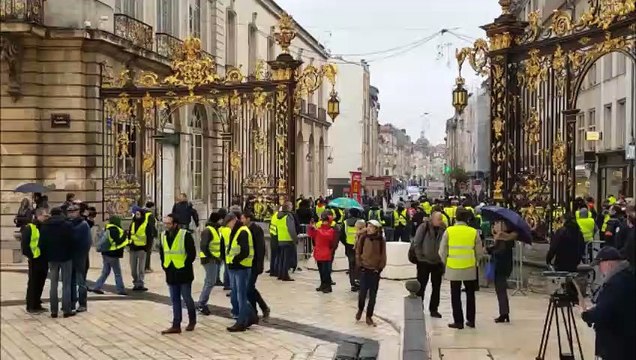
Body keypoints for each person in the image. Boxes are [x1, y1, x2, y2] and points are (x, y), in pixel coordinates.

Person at [580, 247, 635, 360]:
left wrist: (587, 315)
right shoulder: (628, 276)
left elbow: (604, 311)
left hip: (616, 343)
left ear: (609, 263)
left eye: (600, 264)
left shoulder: (616, 283)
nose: (599, 269)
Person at [439, 208, 484, 329]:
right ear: (467, 219)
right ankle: (471, 320)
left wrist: (445, 263)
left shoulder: (449, 231)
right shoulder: (473, 232)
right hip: (469, 267)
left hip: (453, 267)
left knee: (455, 295)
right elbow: (479, 252)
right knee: (470, 295)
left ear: (456, 218)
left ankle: (458, 321)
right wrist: (476, 262)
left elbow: (442, 251)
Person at [159, 214, 197, 334]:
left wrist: (185, 264)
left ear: (175, 224)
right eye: (165, 223)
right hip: (170, 271)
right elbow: (162, 252)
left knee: (186, 297)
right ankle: (176, 324)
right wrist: (165, 266)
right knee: (174, 299)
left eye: (168, 224)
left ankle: (192, 320)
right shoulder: (163, 235)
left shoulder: (185, 235)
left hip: (184, 271)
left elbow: (191, 254)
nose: (166, 226)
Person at [39, 207, 75, 318]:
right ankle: (66, 310)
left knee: (53, 284)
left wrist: (46, 256)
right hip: (66, 257)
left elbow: (42, 244)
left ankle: (53, 311)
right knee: (66, 284)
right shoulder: (67, 225)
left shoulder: (45, 226)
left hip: (52, 258)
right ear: (61, 213)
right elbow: (72, 241)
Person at [224, 213, 257, 332]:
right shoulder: (236, 231)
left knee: (241, 296)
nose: (228, 227)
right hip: (236, 267)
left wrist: (234, 261)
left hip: (242, 267)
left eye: (229, 224)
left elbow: (244, 251)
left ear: (233, 221)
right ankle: (251, 316)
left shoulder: (242, 231)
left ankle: (241, 322)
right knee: (237, 295)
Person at [412, 211, 446, 318]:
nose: (440, 221)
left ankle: (434, 309)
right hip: (424, 262)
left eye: (441, 219)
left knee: (436, 287)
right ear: (432, 219)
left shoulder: (443, 229)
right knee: (421, 286)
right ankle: (418, 307)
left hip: (437, 262)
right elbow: (416, 242)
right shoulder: (424, 227)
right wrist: (420, 257)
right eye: (438, 219)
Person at [355, 220, 387, 327]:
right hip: (365, 269)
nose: (369, 228)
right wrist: (360, 265)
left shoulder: (380, 240)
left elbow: (383, 255)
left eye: (372, 226)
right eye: (368, 225)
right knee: (362, 293)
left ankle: (369, 316)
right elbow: (358, 252)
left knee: (373, 296)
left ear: (376, 228)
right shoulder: (363, 238)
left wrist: (379, 268)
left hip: (375, 271)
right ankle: (360, 309)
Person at [90, 216, 129, 295]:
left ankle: (97, 287)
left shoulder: (107, 228)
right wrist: (125, 235)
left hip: (105, 253)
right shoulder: (115, 230)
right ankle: (120, 289)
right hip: (113, 254)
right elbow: (117, 242)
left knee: (105, 272)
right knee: (117, 273)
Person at [242, 212, 270, 319]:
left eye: (243, 218)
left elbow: (260, 248)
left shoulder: (256, 229)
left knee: (249, 288)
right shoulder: (244, 229)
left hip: (254, 263)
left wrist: (259, 264)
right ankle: (255, 311)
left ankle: (262, 308)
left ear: (248, 219)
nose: (241, 220)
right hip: (247, 263)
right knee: (249, 288)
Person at [488, 219, 518, 323]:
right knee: (501, 290)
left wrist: (490, 250)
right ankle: (504, 312)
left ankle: (504, 313)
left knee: (500, 290)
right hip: (505, 266)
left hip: (500, 266)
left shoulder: (503, 238)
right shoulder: (508, 237)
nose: (495, 225)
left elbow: (499, 251)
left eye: (497, 224)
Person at [21, 208, 49, 313]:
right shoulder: (30, 228)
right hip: (35, 259)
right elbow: (25, 245)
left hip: (43, 258)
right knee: (33, 282)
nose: (47, 218)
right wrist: (32, 256)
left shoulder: (44, 227)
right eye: (45, 216)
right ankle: (31, 305)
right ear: (38, 216)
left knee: (41, 281)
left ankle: (37, 302)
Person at [197, 213, 224, 316]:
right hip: (209, 259)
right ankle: (201, 303)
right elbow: (204, 246)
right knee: (210, 282)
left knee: (209, 281)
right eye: (221, 220)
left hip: (214, 258)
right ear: (217, 220)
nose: (222, 222)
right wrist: (212, 257)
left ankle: (201, 302)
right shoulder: (208, 230)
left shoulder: (215, 230)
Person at [67, 204, 91, 312]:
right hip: (70, 256)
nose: (71, 213)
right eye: (69, 211)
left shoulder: (83, 224)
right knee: (71, 281)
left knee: (81, 281)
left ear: (78, 212)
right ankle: (72, 302)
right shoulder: (67, 224)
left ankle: (82, 303)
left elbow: (87, 243)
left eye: (73, 211)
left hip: (80, 257)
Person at [308, 212, 339, 293]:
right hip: (319, 253)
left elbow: (325, 236)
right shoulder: (319, 229)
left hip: (326, 253)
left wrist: (316, 229)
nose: (324, 222)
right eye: (323, 221)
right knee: (321, 271)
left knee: (326, 272)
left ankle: (328, 287)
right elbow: (311, 234)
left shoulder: (331, 230)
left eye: (325, 221)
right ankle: (322, 285)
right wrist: (311, 227)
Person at [271, 203, 298, 281]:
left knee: (281, 258)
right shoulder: (288, 216)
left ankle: (280, 274)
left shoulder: (278, 216)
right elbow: (291, 229)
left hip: (280, 239)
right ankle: (285, 275)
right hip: (288, 239)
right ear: (288, 208)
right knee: (286, 259)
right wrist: (295, 239)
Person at [128, 206, 153, 291]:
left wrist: (147, 248)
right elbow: (129, 235)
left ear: (142, 215)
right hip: (133, 248)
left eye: (138, 214)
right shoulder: (133, 223)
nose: (137, 215)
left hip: (142, 249)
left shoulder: (146, 224)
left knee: (141, 268)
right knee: (133, 269)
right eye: (136, 214)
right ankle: (135, 282)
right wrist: (129, 244)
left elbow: (149, 237)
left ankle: (140, 283)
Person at [341, 208, 363, 291]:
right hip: (360, 246)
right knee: (360, 264)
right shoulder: (362, 222)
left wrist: (346, 243)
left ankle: (353, 284)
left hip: (349, 247)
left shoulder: (345, 222)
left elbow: (342, 235)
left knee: (351, 265)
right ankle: (359, 281)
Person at [144, 201, 157, 273]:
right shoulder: (150, 215)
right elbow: (151, 226)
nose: (154, 209)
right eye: (153, 207)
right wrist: (154, 234)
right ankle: (146, 267)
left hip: (142, 235)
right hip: (149, 236)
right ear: (151, 207)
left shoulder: (142, 213)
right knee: (148, 251)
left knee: (144, 252)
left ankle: (143, 266)